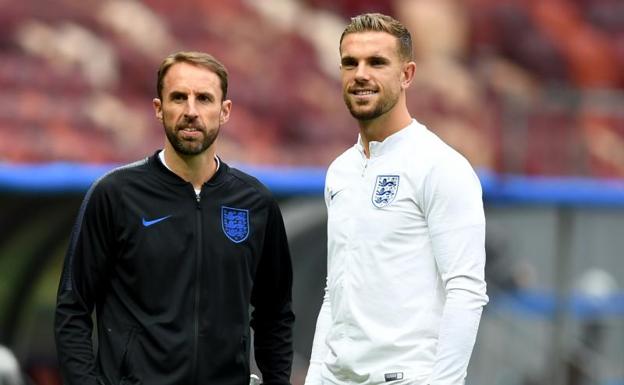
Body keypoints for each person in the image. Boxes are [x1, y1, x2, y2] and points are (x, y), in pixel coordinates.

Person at [55, 51, 295, 385]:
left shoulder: (255, 203)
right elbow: (73, 308)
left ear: (224, 111)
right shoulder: (114, 194)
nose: (191, 111)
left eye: (204, 99)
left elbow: (276, 314)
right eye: (179, 97)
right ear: (158, 108)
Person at [304, 13, 488, 385]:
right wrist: (315, 377)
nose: (361, 74)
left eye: (377, 62)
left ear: (407, 75)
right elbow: (334, 291)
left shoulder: (440, 166)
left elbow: (466, 291)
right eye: (350, 63)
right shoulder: (339, 171)